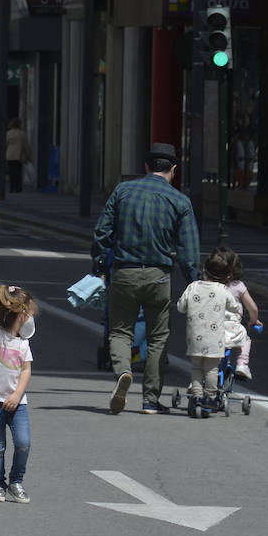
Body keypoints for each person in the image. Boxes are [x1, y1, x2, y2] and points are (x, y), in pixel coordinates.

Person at [91, 141, 200, 415]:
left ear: (146, 166)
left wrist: (101, 265)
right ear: (173, 169)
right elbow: (189, 249)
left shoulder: (123, 191)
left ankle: (123, 372)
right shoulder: (180, 201)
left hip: (124, 272)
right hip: (159, 277)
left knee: (119, 330)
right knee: (158, 337)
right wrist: (194, 280)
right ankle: (151, 399)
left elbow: (102, 232)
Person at [176, 251, 249, 418]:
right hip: (215, 340)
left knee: (196, 368)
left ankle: (197, 396)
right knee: (211, 369)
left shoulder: (192, 287)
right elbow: (234, 307)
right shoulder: (223, 290)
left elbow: (181, 307)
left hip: (195, 338)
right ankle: (210, 397)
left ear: (204, 270)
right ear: (226, 277)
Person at [0, 285, 36, 504]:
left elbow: (26, 370)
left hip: (18, 404)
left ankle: (16, 482)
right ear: (21, 314)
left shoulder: (23, 342)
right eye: (30, 313)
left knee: (23, 442)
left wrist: (17, 395)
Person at [206, 245, 261, 379]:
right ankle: (242, 364)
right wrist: (254, 320)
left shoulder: (206, 285)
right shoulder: (238, 287)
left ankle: (200, 380)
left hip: (209, 328)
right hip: (231, 329)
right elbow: (253, 308)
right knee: (245, 339)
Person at [5, 118, 31, 193]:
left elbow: (5, 145)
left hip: (10, 156)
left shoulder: (8, 133)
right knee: (18, 172)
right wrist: (28, 156)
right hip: (19, 156)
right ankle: (18, 188)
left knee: (11, 172)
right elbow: (26, 146)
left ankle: (11, 187)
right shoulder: (22, 134)